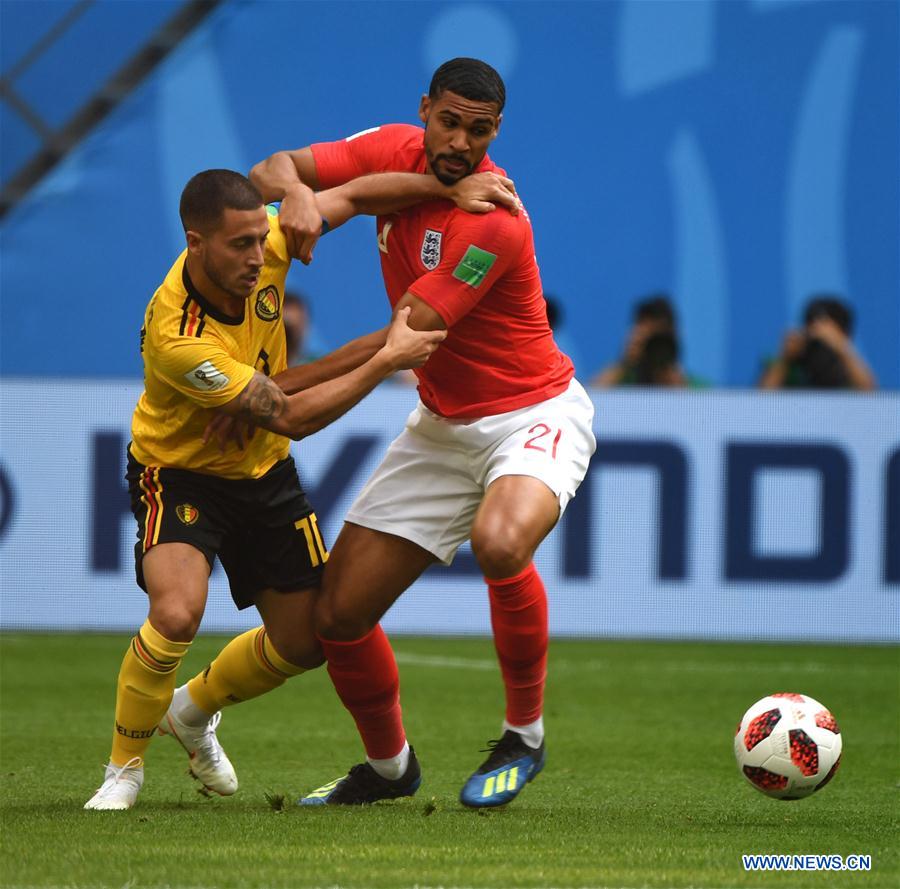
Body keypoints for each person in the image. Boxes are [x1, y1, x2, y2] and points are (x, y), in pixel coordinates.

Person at [84, 164, 517, 810]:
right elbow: (291, 413)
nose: (259, 257)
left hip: (264, 471)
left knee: (307, 640)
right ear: (195, 243)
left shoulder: (267, 249)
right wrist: (385, 357)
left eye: (262, 239)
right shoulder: (178, 337)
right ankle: (124, 768)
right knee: (176, 611)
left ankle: (191, 710)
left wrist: (447, 191)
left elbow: (353, 194)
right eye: (240, 245)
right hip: (179, 471)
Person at [250, 57, 596, 808]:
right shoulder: (392, 146)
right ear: (426, 111)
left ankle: (524, 735)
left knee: (501, 541)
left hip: (532, 413)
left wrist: (274, 390)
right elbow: (267, 170)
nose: (461, 142)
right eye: (449, 122)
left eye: (479, 131)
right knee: (336, 616)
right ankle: (388, 769)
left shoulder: (494, 217)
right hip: (443, 425)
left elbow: (398, 340)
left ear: (496, 132)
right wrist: (304, 195)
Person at [758, 295, 877, 390]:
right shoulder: (788, 363)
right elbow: (762, 401)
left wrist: (842, 348)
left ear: (845, 335)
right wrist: (785, 358)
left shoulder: (849, 367)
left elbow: (869, 395)